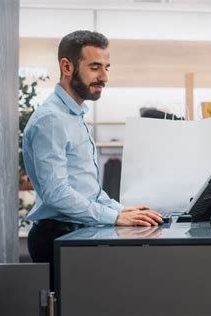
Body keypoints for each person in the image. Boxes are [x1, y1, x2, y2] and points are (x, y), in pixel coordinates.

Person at [23, 30, 163, 289]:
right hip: (57, 235)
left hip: (75, 231)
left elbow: (87, 189)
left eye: (107, 67)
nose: (104, 77)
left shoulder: (74, 115)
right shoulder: (52, 119)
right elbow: (57, 193)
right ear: (67, 66)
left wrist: (119, 209)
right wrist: (113, 217)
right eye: (95, 67)